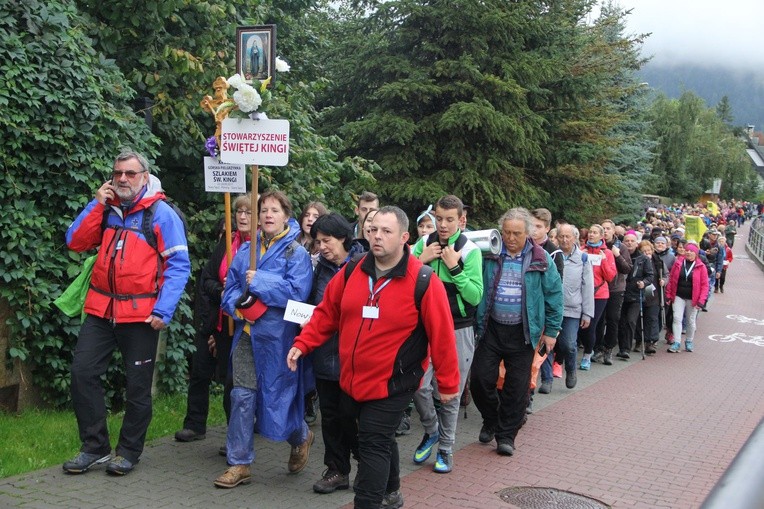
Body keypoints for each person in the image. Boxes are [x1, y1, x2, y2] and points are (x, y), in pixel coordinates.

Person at [287, 206, 460, 509]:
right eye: (373, 230)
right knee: (370, 437)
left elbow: (442, 336)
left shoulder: (423, 280)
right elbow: (328, 313)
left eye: (386, 231)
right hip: (352, 378)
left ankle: (368, 502)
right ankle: (392, 491)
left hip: (396, 380)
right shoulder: (353, 269)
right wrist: (303, 344)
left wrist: (446, 384)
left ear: (405, 237)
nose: (377, 237)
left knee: (373, 442)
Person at [64, 150, 190, 475]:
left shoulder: (161, 214)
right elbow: (75, 242)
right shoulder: (107, 210)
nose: (122, 179)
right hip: (101, 310)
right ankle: (95, 447)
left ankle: (129, 452)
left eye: (130, 174)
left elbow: (178, 265)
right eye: (117, 172)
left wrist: (164, 309)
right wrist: (96, 204)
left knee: (137, 388)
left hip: (142, 315)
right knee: (82, 373)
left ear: (144, 177)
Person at [213, 190, 314, 489]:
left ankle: (300, 436)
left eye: (274, 210)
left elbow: (298, 293)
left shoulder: (296, 253)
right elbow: (230, 287)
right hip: (246, 335)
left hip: (279, 339)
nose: (268, 215)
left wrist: (260, 281)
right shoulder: (245, 251)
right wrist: (236, 307)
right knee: (242, 396)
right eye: (264, 210)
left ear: (286, 215)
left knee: (277, 398)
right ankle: (240, 463)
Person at [470, 207, 563, 457]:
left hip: (524, 332)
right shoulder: (488, 253)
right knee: (480, 379)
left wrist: (552, 331)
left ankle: (506, 436)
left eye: (517, 233)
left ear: (527, 233)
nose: (511, 238)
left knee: (517, 388)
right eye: (507, 232)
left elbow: (554, 295)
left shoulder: (540, 258)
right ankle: (491, 419)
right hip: (491, 329)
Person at [411, 195, 483, 473]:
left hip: (458, 327)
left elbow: (475, 296)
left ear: (461, 220)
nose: (442, 225)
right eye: (438, 219)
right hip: (425, 327)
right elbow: (403, 278)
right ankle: (431, 430)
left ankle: (446, 448)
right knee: (418, 385)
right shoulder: (422, 244)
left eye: (449, 219)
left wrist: (455, 268)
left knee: (450, 393)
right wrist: (420, 259)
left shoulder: (471, 251)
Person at [175, 194, 253, 450]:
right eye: (239, 212)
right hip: (215, 320)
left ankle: (235, 436)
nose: (241, 217)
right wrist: (221, 293)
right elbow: (206, 278)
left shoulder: (260, 249)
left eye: (248, 213)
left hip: (240, 323)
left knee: (233, 382)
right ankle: (195, 424)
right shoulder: (226, 241)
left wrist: (232, 297)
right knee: (199, 372)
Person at [307, 213, 366, 494]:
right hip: (324, 354)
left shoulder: (364, 265)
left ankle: (367, 465)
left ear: (343, 238)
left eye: (327, 240)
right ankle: (337, 470)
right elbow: (313, 304)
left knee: (352, 415)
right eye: (318, 242)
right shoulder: (319, 268)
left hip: (354, 356)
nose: (322, 247)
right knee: (329, 416)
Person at [540, 223, 593, 388]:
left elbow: (588, 288)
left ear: (575, 238)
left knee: (568, 344)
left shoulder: (583, 259)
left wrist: (587, 314)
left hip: (572, 309)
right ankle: (547, 380)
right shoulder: (552, 255)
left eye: (567, 236)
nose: (564, 240)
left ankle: (570, 369)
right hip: (551, 309)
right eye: (561, 236)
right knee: (546, 344)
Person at [581, 224, 616, 369]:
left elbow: (610, 276)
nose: (591, 234)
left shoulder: (607, 253)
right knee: (580, 327)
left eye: (595, 232)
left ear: (601, 236)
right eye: (590, 232)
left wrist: (604, 261)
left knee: (590, 326)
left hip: (599, 294)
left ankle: (587, 355)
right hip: (582, 293)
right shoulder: (582, 251)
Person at [665, 242, 709, 353]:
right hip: (678, 295)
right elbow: (671, 280)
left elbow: (705, 285)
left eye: (691, 251)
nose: (688, 252)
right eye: (687, 250)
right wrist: (669, 295)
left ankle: (689, 341)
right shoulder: (678, 263)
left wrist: (701, 301)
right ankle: (677, 342)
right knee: (677, 318)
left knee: (690, 321)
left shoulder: (701, 266)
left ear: (696, 253)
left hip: (693, 298)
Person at [616, 232, 654, 359]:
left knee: (631, 321)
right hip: (621, 293)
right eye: (627, 241)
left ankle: (626, 349)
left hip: (636, 295)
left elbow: (650, 275)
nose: (629, 243)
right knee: (621, 322)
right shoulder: (619, 255)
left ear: (637, 243)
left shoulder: (643, 258)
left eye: (632, 241)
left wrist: (644, 283)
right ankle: (621, 347)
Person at [297, 201, 328, 269]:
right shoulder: (292, 241)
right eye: (306, 215)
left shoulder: (325, 248)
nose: (310, 219)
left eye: (315, 217)